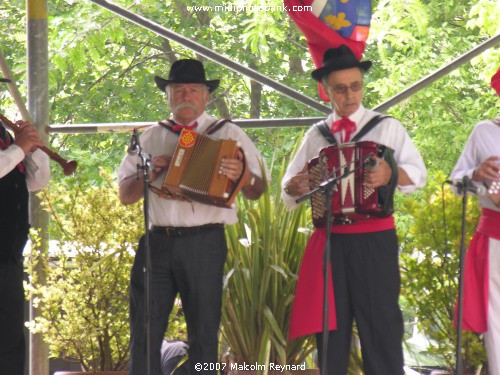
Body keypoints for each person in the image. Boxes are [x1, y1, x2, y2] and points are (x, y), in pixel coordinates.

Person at [281, 45, 426, 375]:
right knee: (330, 333)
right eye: (341, 89)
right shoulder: (317, 135)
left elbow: (417, 176)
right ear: (326, 91)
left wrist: (390, 174)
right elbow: (289, 188)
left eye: (356, 86)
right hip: (331, 243)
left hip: (375, 241)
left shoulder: (386, 127)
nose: (350, 95)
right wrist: (295, 187)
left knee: (381, 330)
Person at [118, 59, 267, 375]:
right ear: (168, 96)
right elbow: (125, 196)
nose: (186, 95)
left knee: (204, 334)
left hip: (204, 241)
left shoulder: (228, 134)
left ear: (205, 96)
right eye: (178, 89)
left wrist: (241, 175)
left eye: (193, 90)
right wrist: (151, 174)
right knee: (144, 331)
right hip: (156, 243)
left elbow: (258, 189)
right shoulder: (150, 137)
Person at [450, 67, 500, 375]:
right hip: (496, 239)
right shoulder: (484, 131)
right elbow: (457, 185)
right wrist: (476, 176)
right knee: (496, 324)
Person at [0, 77, 50, 375]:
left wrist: (35, 147)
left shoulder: (5, 135)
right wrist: (20, 147)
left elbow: (36, 182)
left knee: (9, 342)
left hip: (8, 257)